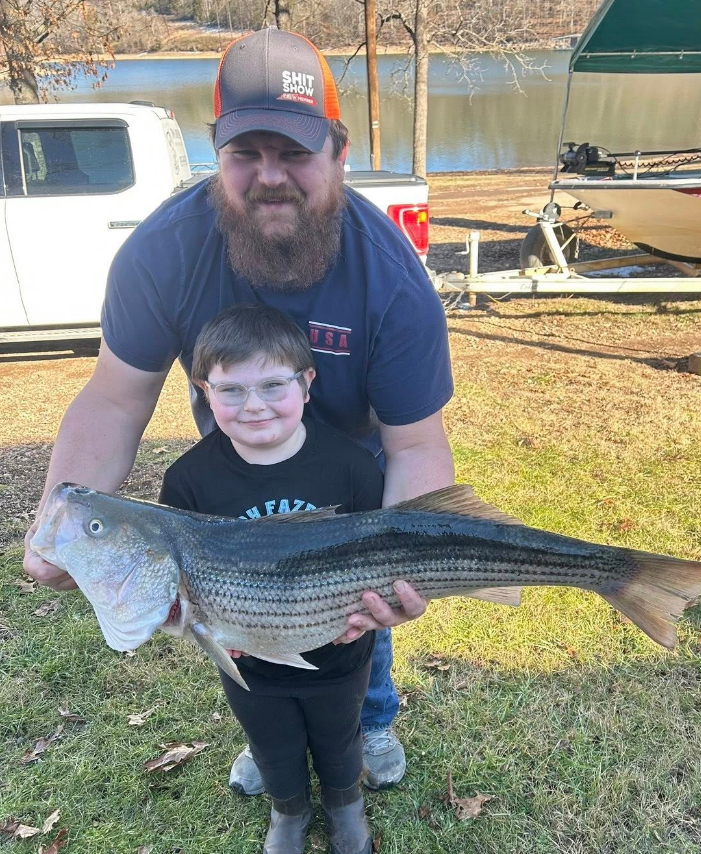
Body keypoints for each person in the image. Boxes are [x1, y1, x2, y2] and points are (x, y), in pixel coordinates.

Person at [23, 27, 455, 794]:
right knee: (240, 612)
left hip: (355, 460)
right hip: (237, 458)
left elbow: (416, 443)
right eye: (244, 154)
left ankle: (371, 716)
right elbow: (115, 399)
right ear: (214, 155)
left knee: (353, 604)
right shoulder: (163, 252)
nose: (269, 177)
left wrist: (399, 567)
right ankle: (274, 730)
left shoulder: (392, 275)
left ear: (338, 150)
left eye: (293, 152)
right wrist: (57, 518)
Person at [160, 304, 381, 854]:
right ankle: (289, 811)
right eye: (230, 390)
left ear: (307, 384)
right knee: (271, 743)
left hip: (340, 654)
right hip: (248, 665)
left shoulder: (352, 466)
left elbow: (380, 558)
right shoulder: (187, 480)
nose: (253, 405)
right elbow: (174, 583)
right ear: (202, 391)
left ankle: (344, 805)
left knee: (340, 736)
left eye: (273, 385)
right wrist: (186, 623)